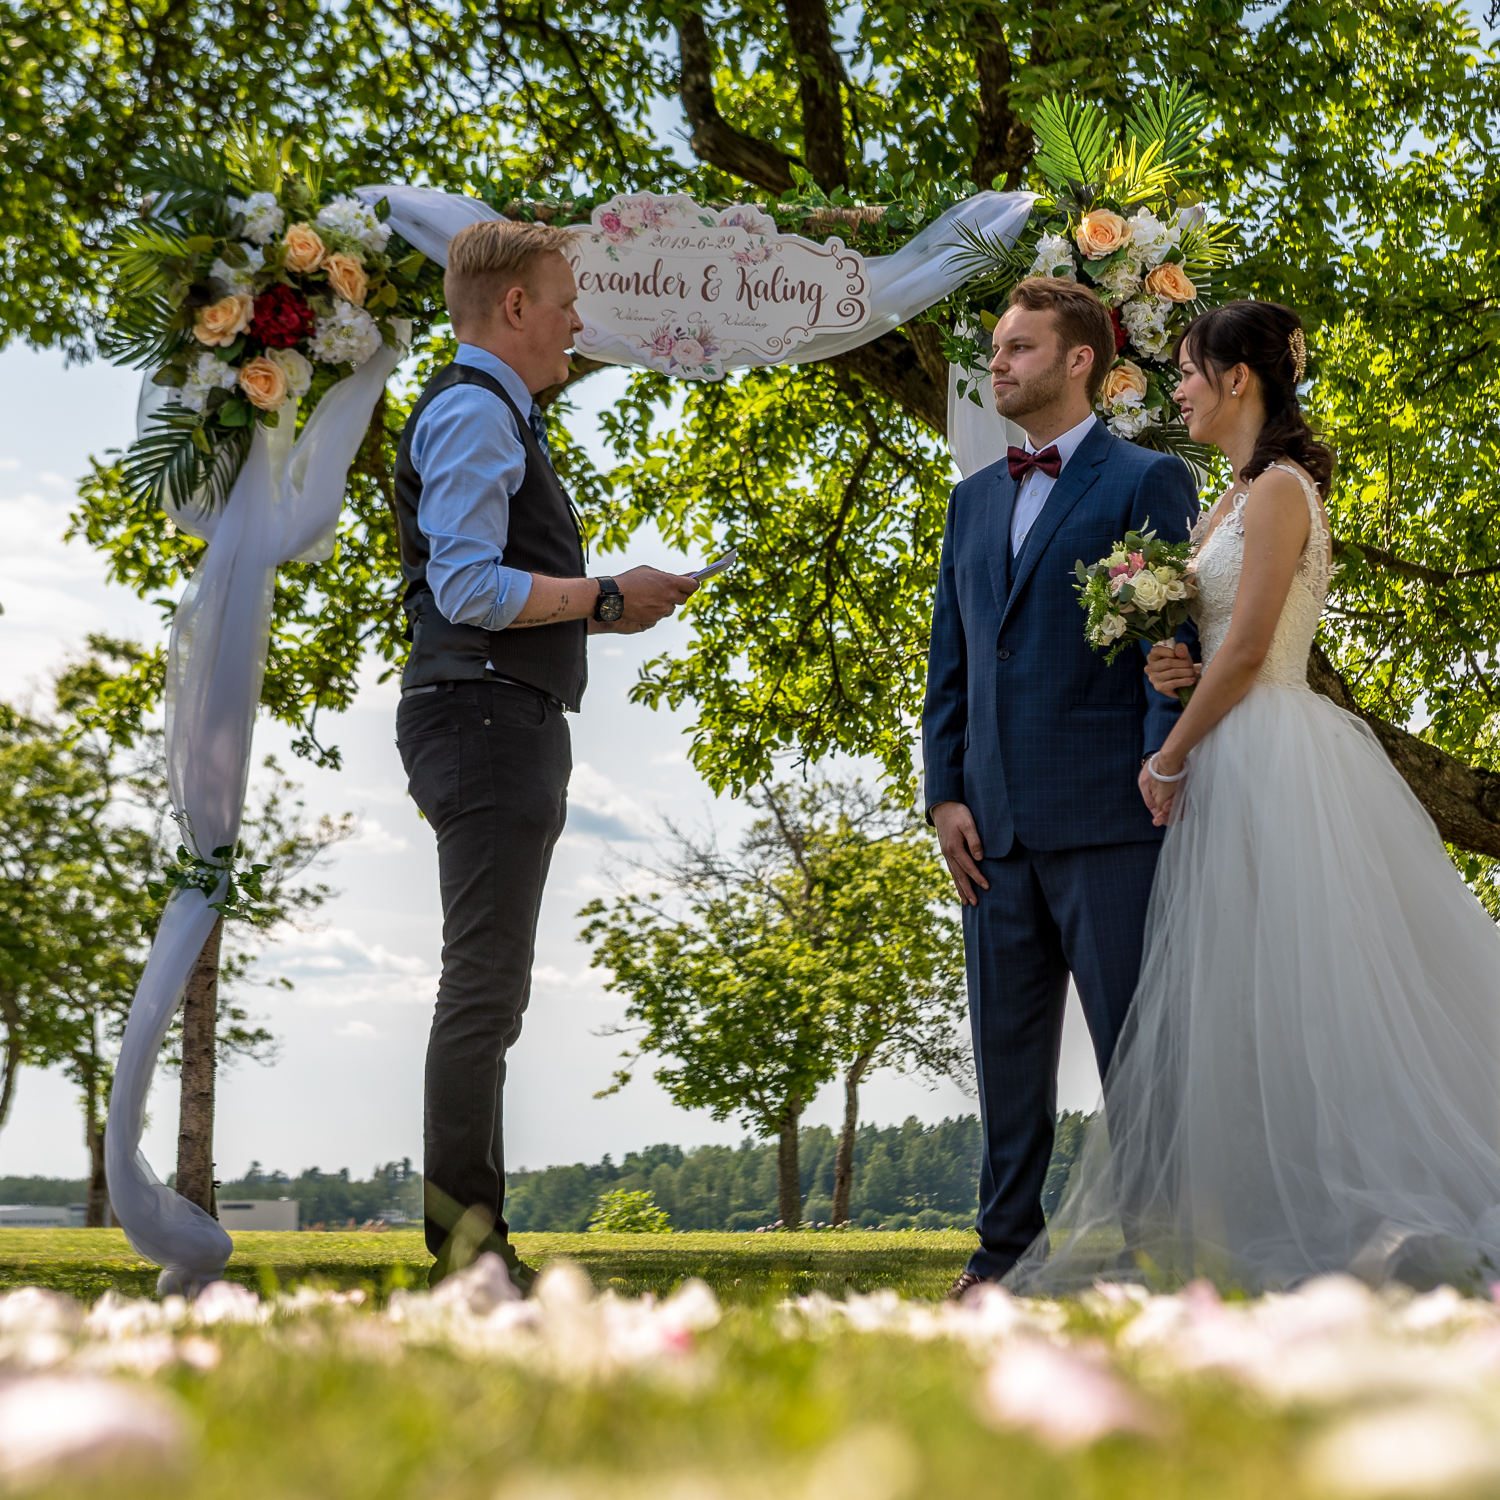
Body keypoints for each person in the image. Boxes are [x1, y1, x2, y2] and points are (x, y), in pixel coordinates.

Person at [1008, 300, 1500, 1295]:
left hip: (1276, 755)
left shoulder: (1279, 492)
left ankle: (1369, 1209)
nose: (1175, 386)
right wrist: (1170, 672)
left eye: (1188, 369)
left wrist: (1169, 756)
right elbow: (1210, 646)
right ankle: (1260, 1216)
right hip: (1228, 755)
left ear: (1239, 379)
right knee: (1240, 1004)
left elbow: (1251, 648)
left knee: (1316, 996)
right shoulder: (1220, 503)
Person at [393, 219, 698, 1289]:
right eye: (565, 299)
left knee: (491, 988)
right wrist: (608, 592)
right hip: (482, 719)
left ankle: (470, 1248)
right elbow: (467, 588)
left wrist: (611, 611)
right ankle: (469, 1255)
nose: (578, 319)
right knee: (482, 989)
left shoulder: (493, 413)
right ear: (514, 307)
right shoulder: (478, 412)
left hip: (492, 713)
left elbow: (494, 586)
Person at [922, 276, 1198, 1296]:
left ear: (1080, 360)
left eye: (1019, 348)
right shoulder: (970, 499)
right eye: (997, 348)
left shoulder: (1145, 479)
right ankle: (1001, 1256)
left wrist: (1159, 761)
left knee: (1136, 1050)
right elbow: (950, 655)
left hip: (1111, 815)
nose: (997, 364)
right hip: (988, 826)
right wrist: (944, 794)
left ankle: (1155, 1257)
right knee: (1006, 1056)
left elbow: (1172, 639)